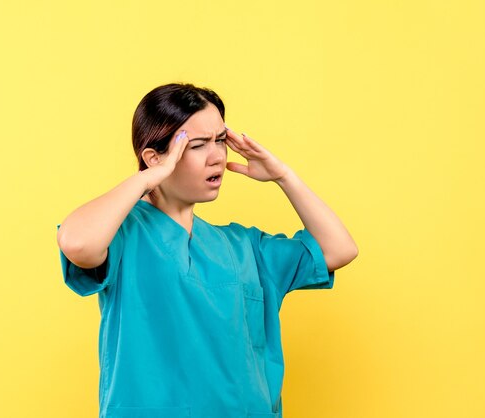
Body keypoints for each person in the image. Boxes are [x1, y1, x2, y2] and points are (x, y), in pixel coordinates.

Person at [56, 83, 358, 418]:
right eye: (198, 145)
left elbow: (339, 249)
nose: (217, 156)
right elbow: (77, 243)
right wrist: (145, 179)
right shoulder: (124, 234)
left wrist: (284, 177)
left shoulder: (244, 247)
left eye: (220, 141)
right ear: (155, 158)